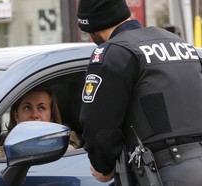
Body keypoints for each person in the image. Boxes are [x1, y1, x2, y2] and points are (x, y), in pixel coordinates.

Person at [77, 0, 202, 185]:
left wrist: (103, 165)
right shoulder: (180, 44)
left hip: (168, 172)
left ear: (92, 26)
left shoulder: (114, 52)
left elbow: (99, 125)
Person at [0, 85, 82, 158]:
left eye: (41, 108)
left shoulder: (66, 151)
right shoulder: (1, 154)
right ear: (16, 116)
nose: (34, 115)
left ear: (51, 116)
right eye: (27, 108)